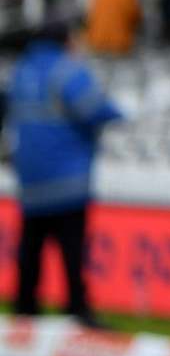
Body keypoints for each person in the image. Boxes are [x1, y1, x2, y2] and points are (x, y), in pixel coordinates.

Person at [7, 19, 120, 327]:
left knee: (31, 246)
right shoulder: (67, 71)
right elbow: (97, 110)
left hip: (30, 177)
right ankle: (77, 309)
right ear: (66, 40)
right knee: (72, 248)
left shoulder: (21, 71)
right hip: (67, 176)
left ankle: (25, 309)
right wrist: (120, 112)